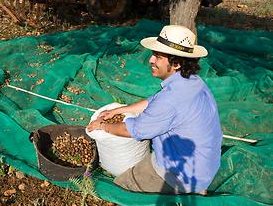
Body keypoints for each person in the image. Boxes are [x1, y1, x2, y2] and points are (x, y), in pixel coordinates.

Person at [87, 25, 223, 195]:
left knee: (119, 188)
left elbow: (133, 130)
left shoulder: (170, 100)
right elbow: (154, 100)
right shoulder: (192, 81)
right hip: (203, 164)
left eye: (158, 57)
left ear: (177, 63)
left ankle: (182, 192)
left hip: (181, 175)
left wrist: (102, 126)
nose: (151, 60)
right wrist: (120, 110)